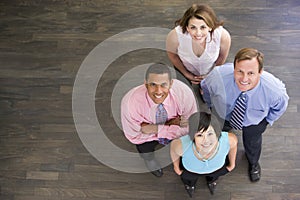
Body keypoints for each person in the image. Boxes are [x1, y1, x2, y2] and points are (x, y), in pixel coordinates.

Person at [201, 48, 289, 182]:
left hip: (254, 121)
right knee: (217, 137)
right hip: (222, 115)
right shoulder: (217, 76)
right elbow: (206, 88)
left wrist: (267, 121)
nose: (244, 79)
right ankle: (220, 158)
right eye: (239, 71)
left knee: (253, 143)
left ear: (260, 72)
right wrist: (211, 106)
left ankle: (253, 163)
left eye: (251, 73)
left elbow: (280, 107)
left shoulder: (274, 91)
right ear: (234, 68)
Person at [121, 62, 198, 177]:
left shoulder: (183, 93)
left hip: (156, 133)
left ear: (171, 84)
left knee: (184, 146)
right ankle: (150, 160)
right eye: (153, 84)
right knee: (146, 152)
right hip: (146, 140)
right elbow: (134, 136)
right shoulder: (129, 103)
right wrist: (172, 124)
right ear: (145, 84)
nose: (158, 91)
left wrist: (154, 128)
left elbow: (192, 126)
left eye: (163, 85)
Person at [170, 111, 237, 197]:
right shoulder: (181, 145)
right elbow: (173, 149)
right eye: (200, 135)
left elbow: (233, 145)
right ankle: (190, 185)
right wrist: (177, 168)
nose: (206, 140)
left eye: (210, 134)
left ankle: (211, 182)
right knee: (189, 180)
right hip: (190, 171)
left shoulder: (228, 139)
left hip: (217, 169)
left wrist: (232, 164)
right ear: (192, 136)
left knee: (213, 177)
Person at [166, 4, 231, 86]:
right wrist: (187, 74)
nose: (198, 33)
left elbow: (221, 58)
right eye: (193, 27)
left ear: (210, 27)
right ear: (187, 27)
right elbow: (173, 56)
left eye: (203, 27)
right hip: (184, 70)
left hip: (211, 72)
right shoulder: (175, 36)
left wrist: (210, 76)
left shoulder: (222, 36)